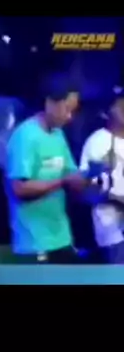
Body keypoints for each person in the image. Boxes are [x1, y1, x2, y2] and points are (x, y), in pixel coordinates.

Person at [5, 74, 90, 263]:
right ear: (50, 103)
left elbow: (70, 173)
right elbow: (19, 188)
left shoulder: (58, 134)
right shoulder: (25, 136)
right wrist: (62, 181)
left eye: (73, 111)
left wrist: (87, 179)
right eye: (67, 109)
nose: (69, 117)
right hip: (34, 243)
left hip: (61, 237)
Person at [79, 89, 124, 263]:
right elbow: (87, 192)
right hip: (113, 233)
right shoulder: (98, 142)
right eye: (120, 104)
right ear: (107, 111)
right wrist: (116, 197)